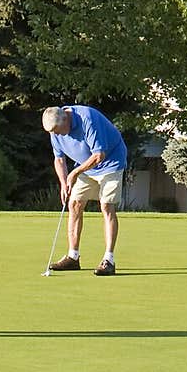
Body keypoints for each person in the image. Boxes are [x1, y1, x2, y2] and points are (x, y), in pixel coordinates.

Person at [42, 104, 127, 275]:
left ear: (65, 119)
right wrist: (63, 183)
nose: (56, 135)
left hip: (111, 162)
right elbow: (59, 160)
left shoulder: (87, 118)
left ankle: (108, 260)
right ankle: (73, 257)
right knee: (74, 204)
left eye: (58, 131)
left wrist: (74, 173)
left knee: (107, 206)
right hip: (86, 167)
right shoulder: (55, 130)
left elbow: (99, 155)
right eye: (53, 132)